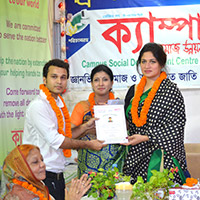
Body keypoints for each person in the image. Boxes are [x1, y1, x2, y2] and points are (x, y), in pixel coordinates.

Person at [23, 59, 106, 200]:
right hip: (42, 174)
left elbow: (65, 135)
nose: (59, 81)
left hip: (57, 174)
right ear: (44, 79)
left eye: (63, 77)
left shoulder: (57, 103)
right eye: (54, 77)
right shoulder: (39, 106)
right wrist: (88, 144)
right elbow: (56, 140)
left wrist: (85, 127)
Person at [123, 42, 188, 184]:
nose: (147, 66)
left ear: (161, 64)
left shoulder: (171, 91)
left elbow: (176, 128)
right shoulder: (133, 91)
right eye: (143, 61)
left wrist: (146, 137)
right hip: (135, 156)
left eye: (152, 61)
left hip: (162, 158)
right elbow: (126, 122)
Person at [71, 64, 126, 178]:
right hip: (88, 168)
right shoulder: (82, 107)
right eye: (96, 80)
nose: (100, 84)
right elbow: (69, 136)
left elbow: (128, 130)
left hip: (115, 166)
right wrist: (86, 130)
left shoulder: (119, 106)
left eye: (105, 80)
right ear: (91, 83)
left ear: (112, 83)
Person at [0, 144, 91, 200]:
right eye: (35, 162)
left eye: (42, 160)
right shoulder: (22, 195)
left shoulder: (38, 185)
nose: (42, 164)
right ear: (20, 169)